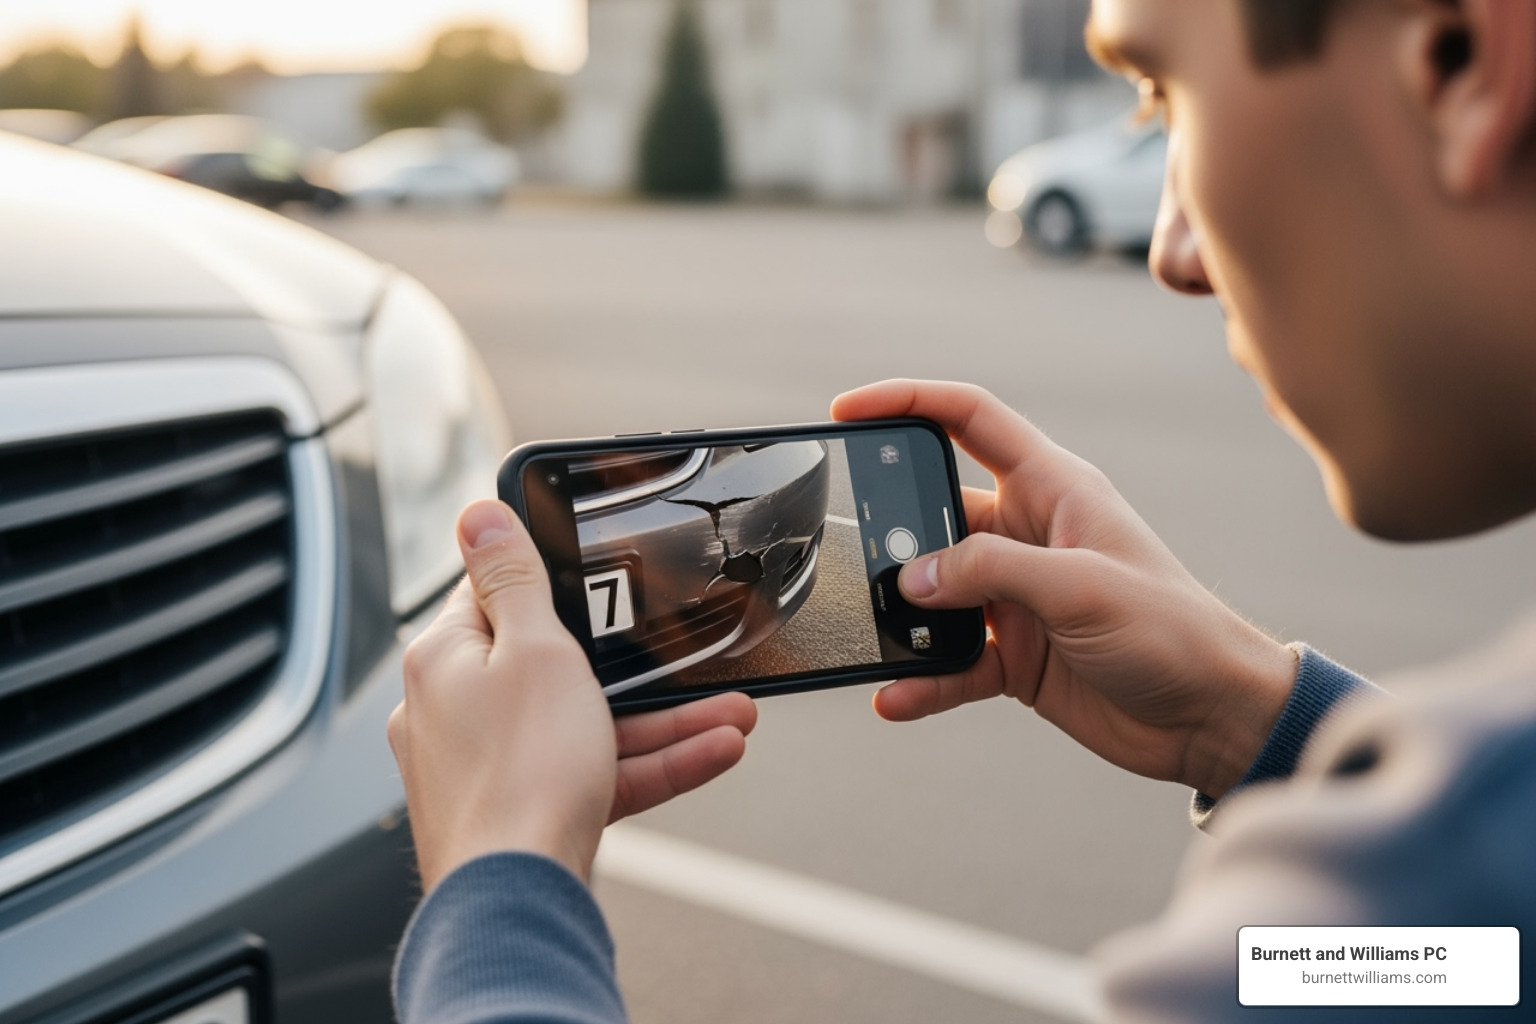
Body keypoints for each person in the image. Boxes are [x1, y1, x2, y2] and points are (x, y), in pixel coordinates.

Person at [385, 0, 1536, 1019]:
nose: (1173, 251)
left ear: (1457, 54)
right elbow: (1480, 971)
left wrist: (500, 883)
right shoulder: (1468, 870)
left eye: (1164, 95)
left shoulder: (1391, 898)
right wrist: (1250, 724)